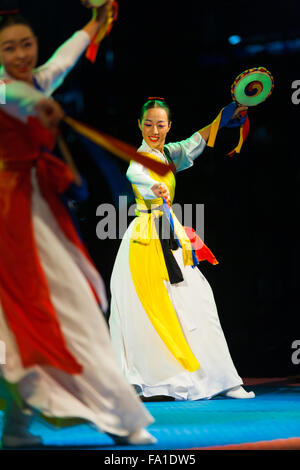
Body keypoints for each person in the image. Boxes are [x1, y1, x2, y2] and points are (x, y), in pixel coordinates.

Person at [0, 1, 155, 448]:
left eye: (27, 44)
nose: (20, 55)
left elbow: (64, 59)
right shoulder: (5, 89)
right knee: (42, 316)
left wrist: (96, 22)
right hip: (13, 215)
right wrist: (42, 107)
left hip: (38, 208)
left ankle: (23, 423)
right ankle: (111, 417)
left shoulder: (38, 80)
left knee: (57, 313)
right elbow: (17, 96)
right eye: (9, 48)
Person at [109, 98, 255, 401]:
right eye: (148, 124)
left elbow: (193, 143)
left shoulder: (167, 152)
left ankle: (223, 379)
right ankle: (166, 379)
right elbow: (135, 175)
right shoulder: (141, 159)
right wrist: (156, 188)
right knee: (152, 313)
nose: (154, 130)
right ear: (139, 125)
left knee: (199, 300)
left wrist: (225, 115)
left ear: (168, 126)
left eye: (160, 124)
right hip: (147, 239)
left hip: (169, 231)